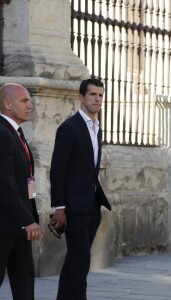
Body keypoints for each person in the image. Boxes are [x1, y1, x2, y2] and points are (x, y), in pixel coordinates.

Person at [50, 78, 111, 300]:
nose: (97, 99)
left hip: (92, 205)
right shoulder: (69, 128)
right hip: (74, 207)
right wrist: (59, 207)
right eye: (93, 94)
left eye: (100, 95)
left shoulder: (97, 128)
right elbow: (58, 170)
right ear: (81, 97)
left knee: (76, 259)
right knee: (81, 258)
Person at [0, 83, 42, 300]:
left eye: (30, 100)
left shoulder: (16, 131)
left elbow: (26, 180)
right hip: (4, 225)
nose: (30, 105)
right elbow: (4, 184)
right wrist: (27, 219)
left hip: (19, 225)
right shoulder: (2, 133)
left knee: (24, 279)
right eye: (24, 101)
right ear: (7, 104)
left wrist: (30, 217)